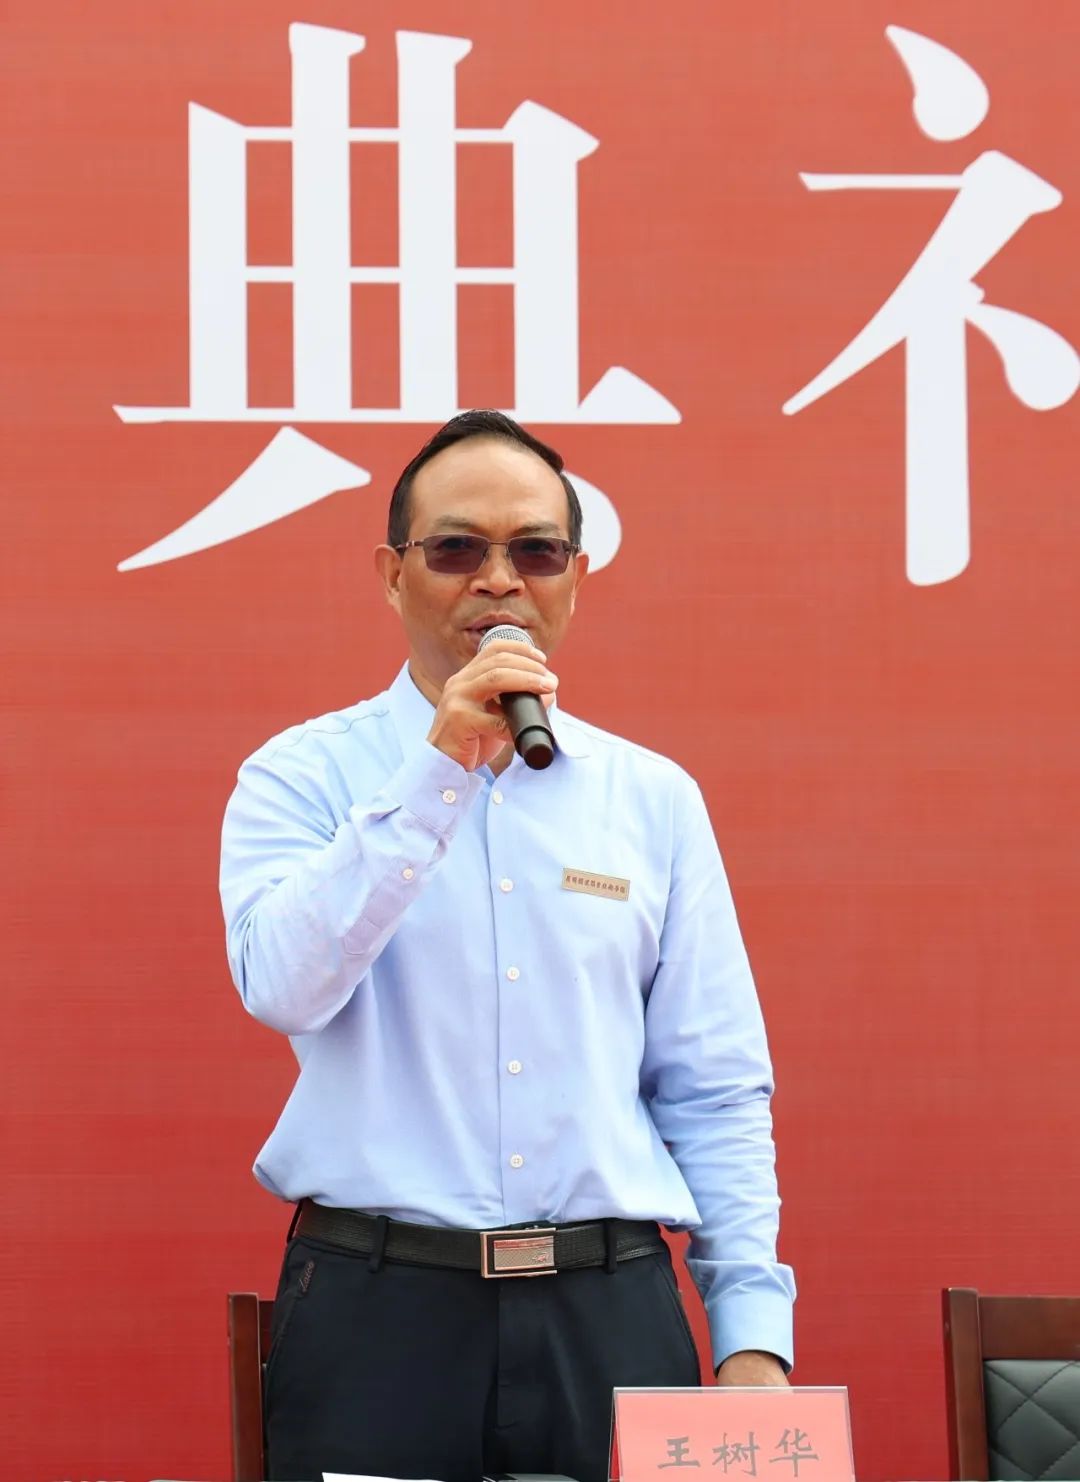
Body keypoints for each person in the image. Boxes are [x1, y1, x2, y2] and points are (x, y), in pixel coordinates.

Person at [219, 410, 795, 1482]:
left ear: (575, 577)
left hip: (610, 1311)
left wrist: (751, 1332)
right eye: (456, 549)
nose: (499, 580)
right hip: (380, 1312)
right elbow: (284, 986)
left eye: (536, 550)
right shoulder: (301, 777)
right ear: (393, 573)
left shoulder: (652, 799)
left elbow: (713, 1086)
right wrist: (439, 772)